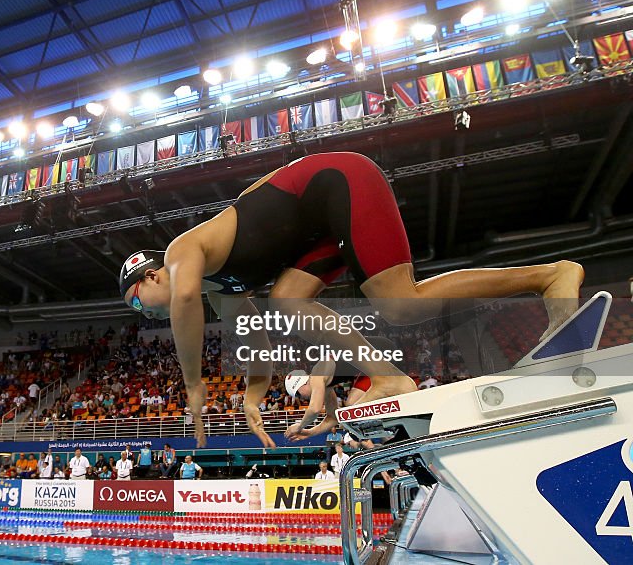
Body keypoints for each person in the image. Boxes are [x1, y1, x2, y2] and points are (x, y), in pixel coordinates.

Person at [120, 151, 584, 447]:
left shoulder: (182, 252)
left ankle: (551, 276)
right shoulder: (219, 288)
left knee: (400, 303)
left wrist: (194, 383)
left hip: (337, 182)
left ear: (151, 273)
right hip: (317, 231)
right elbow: (256, 342)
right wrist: (253, 393)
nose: (144, 313)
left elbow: (182, 302)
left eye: (138, 302)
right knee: (286, 302)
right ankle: (388, 379)